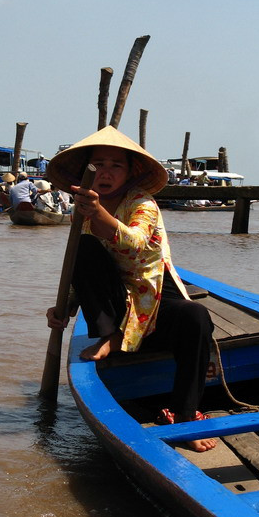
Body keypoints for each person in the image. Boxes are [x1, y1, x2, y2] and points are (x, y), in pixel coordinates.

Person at [45, 126, 216, 453]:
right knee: (84, 247)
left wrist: (98, 212)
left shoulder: (143, 203)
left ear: (129, 173)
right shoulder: (79, 213)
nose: (106, 172)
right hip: (116, 305)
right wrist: (64, 307)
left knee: (196, 316)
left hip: (152, 296)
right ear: (87, 172)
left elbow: (134, 243)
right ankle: (110, 334)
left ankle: (183, 415)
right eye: (99, 165)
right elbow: (79, 268)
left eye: (116, 165)